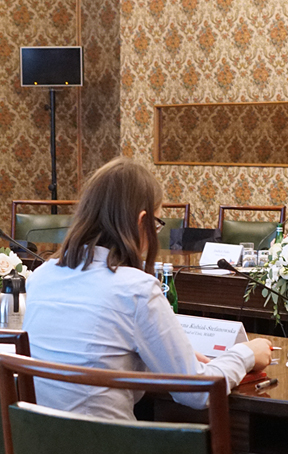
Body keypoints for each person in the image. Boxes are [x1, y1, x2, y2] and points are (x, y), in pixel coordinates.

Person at [23, 156, 273, 420]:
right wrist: (246, 354)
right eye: (156, 223)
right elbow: (198, 393)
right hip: (107, 443)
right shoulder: (136, 289)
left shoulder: (40, 277)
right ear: (141, 221)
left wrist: (164, 353)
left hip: (37, 441)